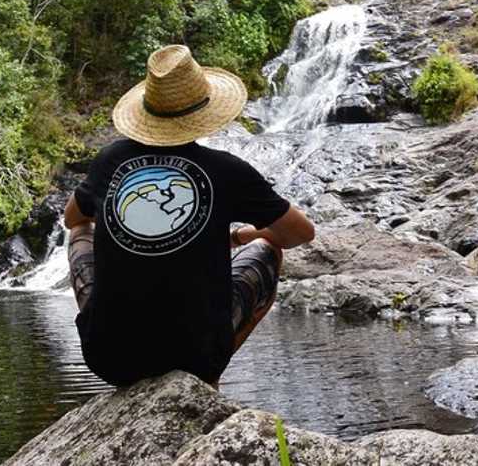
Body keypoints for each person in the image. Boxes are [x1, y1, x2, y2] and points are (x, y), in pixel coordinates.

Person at [63, 44, 314, 388]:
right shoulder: (227, 170)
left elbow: (72, 218)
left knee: (80, 233)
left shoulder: (110, 158)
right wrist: (242, 237)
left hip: (109, 357)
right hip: (195, 357)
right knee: (269, 250)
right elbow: (300, 233)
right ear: (205, 111)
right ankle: (208, 379)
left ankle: (115, 335)